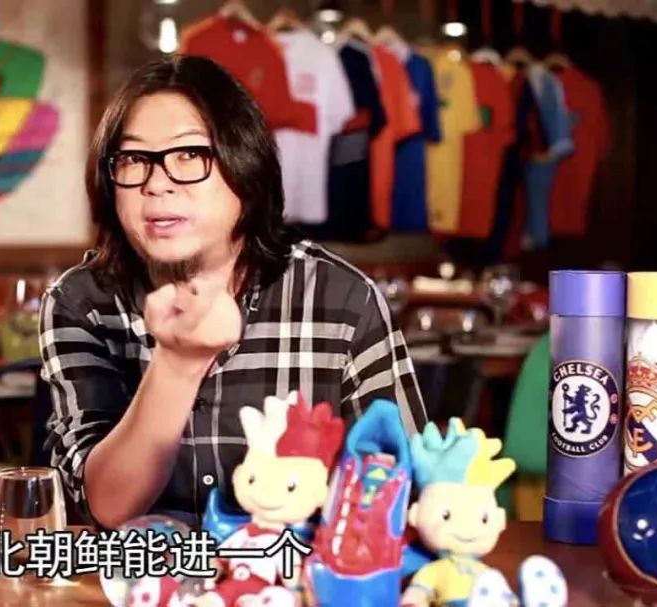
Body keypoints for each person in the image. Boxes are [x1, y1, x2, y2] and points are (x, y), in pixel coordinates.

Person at [38, 55, 427, 530]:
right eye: (134, 159)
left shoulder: (341, 299)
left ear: (245, 163)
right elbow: (104, 505)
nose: (156, 184)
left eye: (189, 155)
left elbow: (402, 495)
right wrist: (177, 363)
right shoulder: (81, 302)